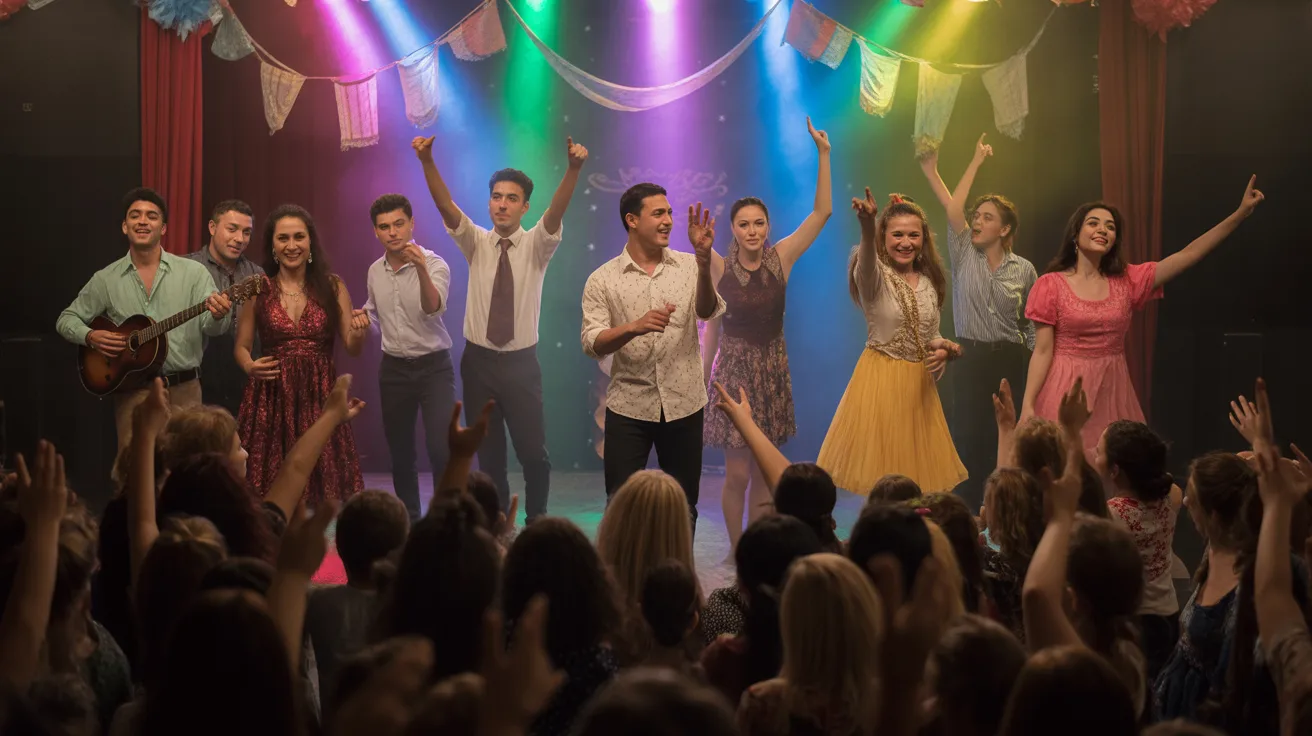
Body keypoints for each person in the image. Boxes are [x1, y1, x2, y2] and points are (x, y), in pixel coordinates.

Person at [414, 134, 589, 523]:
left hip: (521, 365)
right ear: (489, 202)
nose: (502, 204)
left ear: (525, 207)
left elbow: (556, 212)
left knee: (533, 453)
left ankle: (536, 519)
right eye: (496, 197)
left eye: (512, 198)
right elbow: (446, 207)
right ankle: (494, 523)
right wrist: (427, 161)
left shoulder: (537, 245)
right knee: (488, 455)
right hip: (478, 363)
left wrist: (574, 169)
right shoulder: (476, 241)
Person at [1019, 177, 1265, 449]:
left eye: (1110, 227)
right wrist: (1028, 404)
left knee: (1119, 462)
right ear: (1075, 235)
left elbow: (1188, 255)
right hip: (1065, 390)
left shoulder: (1128, 280)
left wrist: (1239, 214)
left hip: (1112, 390)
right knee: (1064, 462)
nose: (1103, 230)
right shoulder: (1050, 285)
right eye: (1093, 223)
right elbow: (1042, 351)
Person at [702, 116, 832, 555]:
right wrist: (703, 378)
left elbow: (822, 213)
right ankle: (736, 549)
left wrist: (824, 154)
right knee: (737, 473)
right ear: (733, 229)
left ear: (768, 226)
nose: (752, 230)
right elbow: (709, 325)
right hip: (734, 372)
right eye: (744, 224)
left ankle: (755, 551)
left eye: (759, 223)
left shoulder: (782, 258)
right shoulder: (718, 265)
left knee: (763, 471)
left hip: (771, 371)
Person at [581, 184, 726, 524]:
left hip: (684, 403)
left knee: (684, 506)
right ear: (632, 220)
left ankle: (679, 561)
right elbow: (591, 342)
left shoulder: (689, 266)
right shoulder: (603, 279)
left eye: (669, 213)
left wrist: (704, 263)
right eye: (658, 213)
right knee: (620, 505)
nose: (668, 221)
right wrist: (634, 327)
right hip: (629, 405)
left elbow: (707, 311)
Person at [56, 187, 233, 449]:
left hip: (185, 392)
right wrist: (90, 336)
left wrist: (219, 315)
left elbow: (212, 328)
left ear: (163, 228)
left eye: (152, 216)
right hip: (133, 393)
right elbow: (66, 319)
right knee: (134, 469)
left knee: (188, 467)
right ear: (124, 226)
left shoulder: (194, 273)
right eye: (135, 215)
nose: (142, 221)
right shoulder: (105, 279)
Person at [816, 190, 965, 494]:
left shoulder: (928, 282)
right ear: (883, 237)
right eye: (897, 234)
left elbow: (931, 336)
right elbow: (867, 260)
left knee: (916, 487)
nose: (905, 242)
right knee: (885, 483)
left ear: (924, 239)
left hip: (919, 391)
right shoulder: (874, 277)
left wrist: (946, 349)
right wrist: (867, 225)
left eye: (913, 235)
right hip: (880, 383)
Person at [920, 134, 1037, 509]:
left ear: (1004, 230)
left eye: (988, 217)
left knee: (1007, 435)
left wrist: (1032, 358)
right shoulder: (964, 252)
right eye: (977, 215)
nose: (977, 221)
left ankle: (1004, 509)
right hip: (970, 356)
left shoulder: (1024, 269)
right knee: (968, 437)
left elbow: (1032, 323)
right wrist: (975, 160)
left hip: (1009, 358)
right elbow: (954, 209)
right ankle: (968, 514)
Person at [235, 204, 367, 504]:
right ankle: (273, 533)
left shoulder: (333, 286)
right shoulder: (258, 288)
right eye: (283, 238)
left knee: (324, 486)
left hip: (319, 395)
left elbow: (352, 346)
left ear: (310, 242)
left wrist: (360, 332)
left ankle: (323, 535)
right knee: (268, 485)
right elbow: (241, 346)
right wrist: (250, 366)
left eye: (298, 237)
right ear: (272, 245)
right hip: (270, 396)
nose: (291, 245)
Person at [361, 193, 455, 521]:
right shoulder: (375, 271)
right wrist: (362, 320)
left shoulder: (436, 263)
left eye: (399, 224)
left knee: (441, 448)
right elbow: (375, 316)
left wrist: (421, 269)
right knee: (400, 453)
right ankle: (410, 518)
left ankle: (443, 519)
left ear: (412, 224)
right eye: (384, 226)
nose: (393, 232)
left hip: (434, 367)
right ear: (376, 231)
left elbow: (433, 308)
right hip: (394, 369)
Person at [187, 200, 265, 417]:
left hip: (246, 385)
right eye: (232, 229)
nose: (240, 239)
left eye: (246, 232)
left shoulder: (258, 275)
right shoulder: (186, 269)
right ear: (212, 227)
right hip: (198, 384)